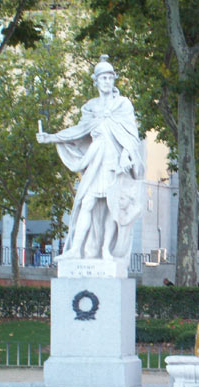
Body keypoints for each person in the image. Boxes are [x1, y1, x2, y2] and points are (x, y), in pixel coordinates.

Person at [36, 55, 144, 263]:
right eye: (103, 78)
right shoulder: (90, 107)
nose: (107, 82)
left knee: (113, 208)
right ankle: (76, 249)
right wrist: (51, 138)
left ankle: (105, 250)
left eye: (110, 78)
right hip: (96, 161)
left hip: (115, 163)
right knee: (86, 203)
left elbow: (131, 137)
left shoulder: (123, 104)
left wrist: (125, 155)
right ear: (95, 81)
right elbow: (78, 132)